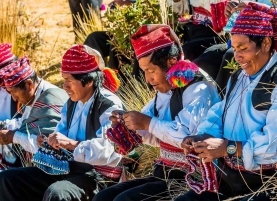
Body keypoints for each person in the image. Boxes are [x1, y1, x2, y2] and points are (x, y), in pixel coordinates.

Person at [92, 24, 220, 201]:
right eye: (144, 71)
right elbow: (154, 135)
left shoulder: (199, 87)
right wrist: (128, 125)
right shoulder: (165, 90)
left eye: (151, 71)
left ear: (171, 62)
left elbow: (186, 136)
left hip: (192, 178)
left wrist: (146, 123)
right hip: (166, 173)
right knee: (104, 197)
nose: (147, 79)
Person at [0, 44, 124, 201]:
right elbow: (61, 135)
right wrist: (48, 142)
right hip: (69, 169)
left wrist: (70, 144)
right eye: (63, 80)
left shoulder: (109, 105)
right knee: (6, 180)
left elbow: (109, 152)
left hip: (98, 177)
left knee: (57, 193)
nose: (64, 86)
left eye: (69, 80)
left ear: (88, 81)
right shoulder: (71, 103)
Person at [177, 3, 277, 201]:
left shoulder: (274, 80)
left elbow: (272, 147)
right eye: (234, 47)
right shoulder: (239, 76)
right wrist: (203, 136)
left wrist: (227, 148)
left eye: (244, 49)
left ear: (266, 43)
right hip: (230, 178)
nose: (237, 56)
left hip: (264, 184)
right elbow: (221, 112)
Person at [0, 56, 68, 201]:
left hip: (53, 171)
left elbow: (48, 149)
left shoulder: (50, 99)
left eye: (14, 92)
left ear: (29, 84)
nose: (13, 98)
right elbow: (24, 124)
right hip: (30, 160)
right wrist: (3, 127)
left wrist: (14, 137)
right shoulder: (34, 97)